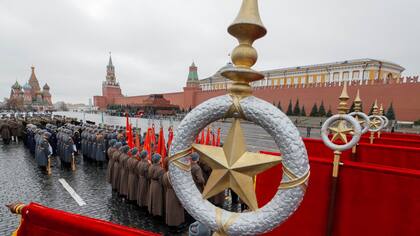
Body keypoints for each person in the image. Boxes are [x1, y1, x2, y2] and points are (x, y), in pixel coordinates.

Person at [162, 158, 185, 230]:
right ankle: (176, 225)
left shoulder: (165, 174)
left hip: (169, 193)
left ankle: (170, 223)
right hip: (175, 194)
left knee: (170, 209)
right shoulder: (174, 175)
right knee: (176, 210)